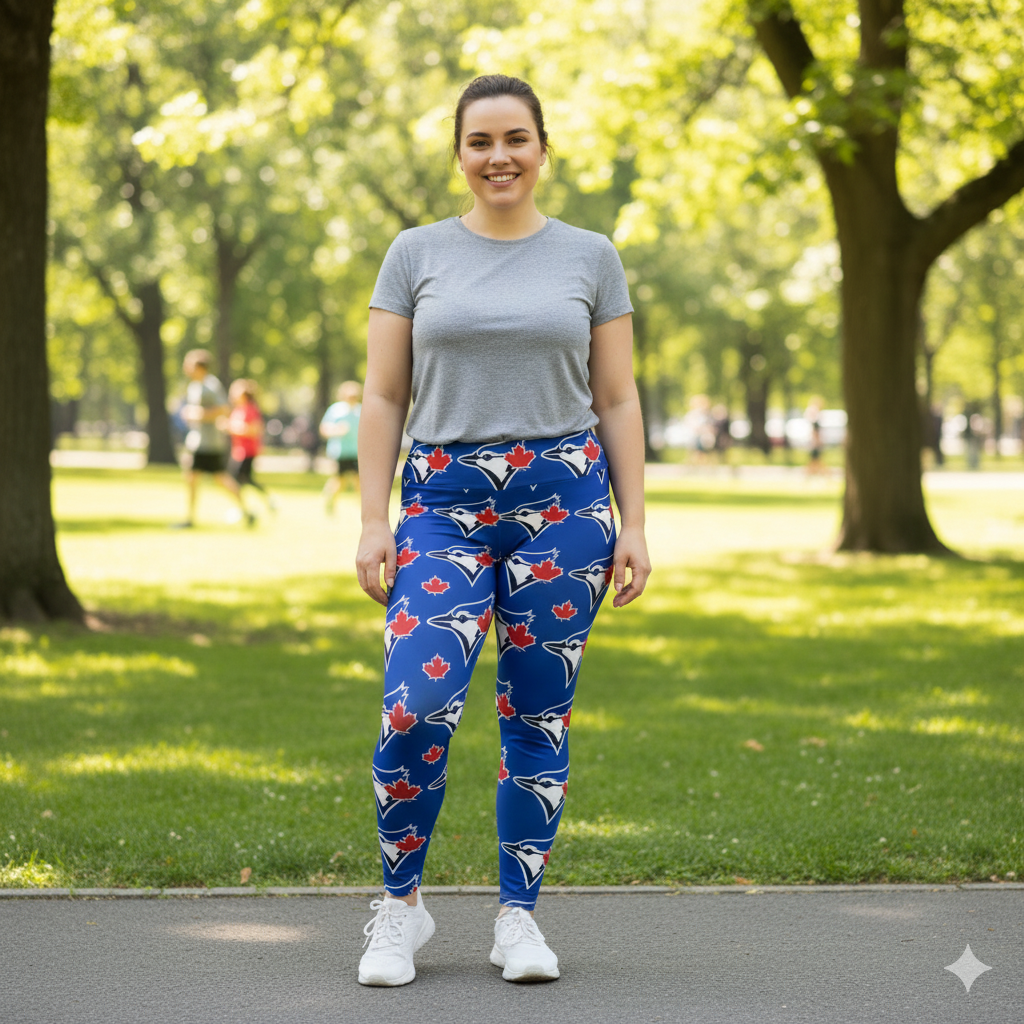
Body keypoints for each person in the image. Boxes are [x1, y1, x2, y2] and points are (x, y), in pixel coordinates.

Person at [354, 74, 651, 988]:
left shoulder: (590, 256)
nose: (499, 157)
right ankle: (400, 907)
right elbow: (383, 395)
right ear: (459, 154)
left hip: (565, 505)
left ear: (543, 149)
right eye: (480, 141)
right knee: (414, 706)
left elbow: (617, 397)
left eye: (516, 138)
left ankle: (518, 915)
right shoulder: (414, 253)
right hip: (441, 503)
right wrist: (372, 519)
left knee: (537, 714)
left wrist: (636, 522)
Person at [176, 349, 247, 528]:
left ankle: (246, 510)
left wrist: (199, 414)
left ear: (199, 367)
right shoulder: (194, 386)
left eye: (189, 364)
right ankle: (190, 518)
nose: (186, 368)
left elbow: (224, 409)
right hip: (197, 442)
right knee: (193, 477)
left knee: (219, 478)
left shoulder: (211, 385)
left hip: (210, 442)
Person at [226, 378, 275, 517]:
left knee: (238, 480)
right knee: (243, 479)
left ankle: (245, 509)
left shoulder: (251, 409)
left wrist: (234, 428)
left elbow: (256, 429)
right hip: (237, 451)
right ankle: (248, 507)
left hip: (247, 451)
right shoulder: (238, 409)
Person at [320, 380, 363, 512]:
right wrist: (337, 430)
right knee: (340, 480)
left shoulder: (361, 410)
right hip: (341, 452)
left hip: (357, 452)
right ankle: (330, 498)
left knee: (359, 481)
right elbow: (324, 429)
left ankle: (364, 508)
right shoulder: (335, 410)